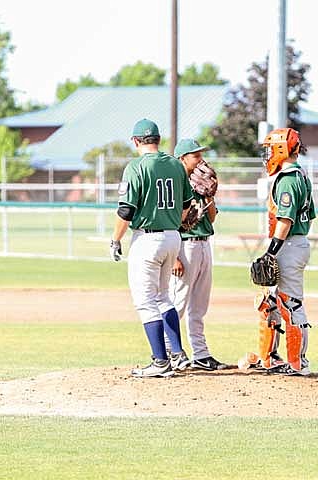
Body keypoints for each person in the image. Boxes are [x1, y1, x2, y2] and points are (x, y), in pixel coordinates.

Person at [110, 118, 194, 378]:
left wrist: (115, 239)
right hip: (173, 237)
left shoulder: (135, 167)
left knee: (146, 301)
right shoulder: (175, 165)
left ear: (135, 141)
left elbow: (126, 210)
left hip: (147, 239)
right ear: (158, 140)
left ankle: (160, 361)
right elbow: (187, 204)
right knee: (163, 297)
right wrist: (171, 224)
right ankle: (178, 354)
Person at [252, 127, 315, 375]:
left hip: (288, 244)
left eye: (270, 148)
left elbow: (285, 220)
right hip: (292, 244)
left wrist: (271, 252)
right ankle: (269, 357)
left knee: (291, 304)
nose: (268, 154)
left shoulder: (288, 179)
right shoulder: (300, 175)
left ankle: (298, 363)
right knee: (269, 302)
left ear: (281, 149)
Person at [168, 139, 227, 371]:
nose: (200, 159)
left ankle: (200, 354)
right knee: (177, 302)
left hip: (204, 244)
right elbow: (171, 220)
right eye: (195, 155)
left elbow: (211, 218)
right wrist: (174, 256)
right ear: (182, 158)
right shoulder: (175, 184)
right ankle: (168, 352)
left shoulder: (200, 182)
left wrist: (211, 195)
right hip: (184, 245)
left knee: (199, 306)